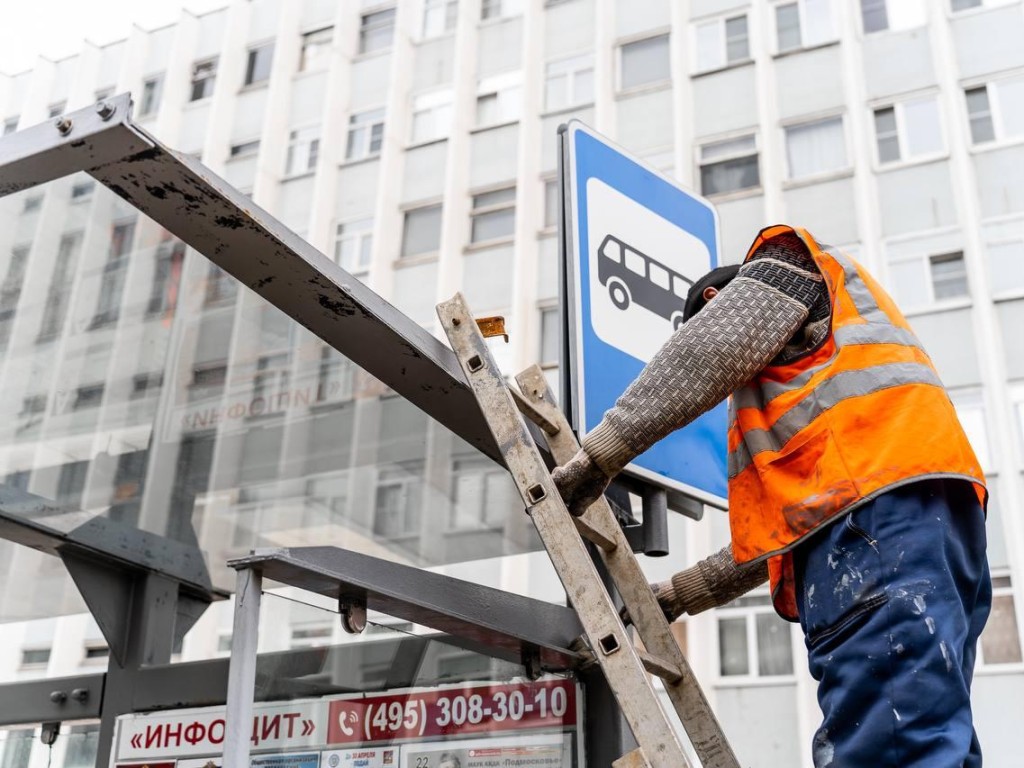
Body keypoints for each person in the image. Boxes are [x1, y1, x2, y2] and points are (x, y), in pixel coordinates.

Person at [552, 224, 991, 768]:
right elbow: (793, 529)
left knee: (890, 743)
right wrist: (681, 595)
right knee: (926, 729)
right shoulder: (826, 395)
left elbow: (704, 352)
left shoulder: (782, 265)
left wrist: (598, 457)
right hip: (926, 529)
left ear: (716, 301)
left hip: (880, 530)